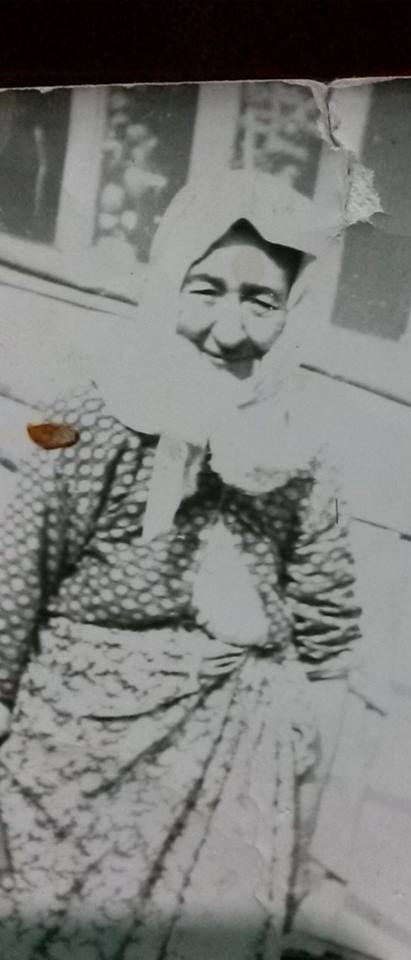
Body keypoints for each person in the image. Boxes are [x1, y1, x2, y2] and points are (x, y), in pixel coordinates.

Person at [0, 170, 365, 960]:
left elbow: (331, 645)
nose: (229, 331)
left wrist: (304, 840)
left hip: (233, 791)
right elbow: (11, 588)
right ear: (167, 285)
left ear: (294, 314)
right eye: (206, 290)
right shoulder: (88, 419)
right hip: (68, 777)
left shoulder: (301, 451)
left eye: (261, 301)